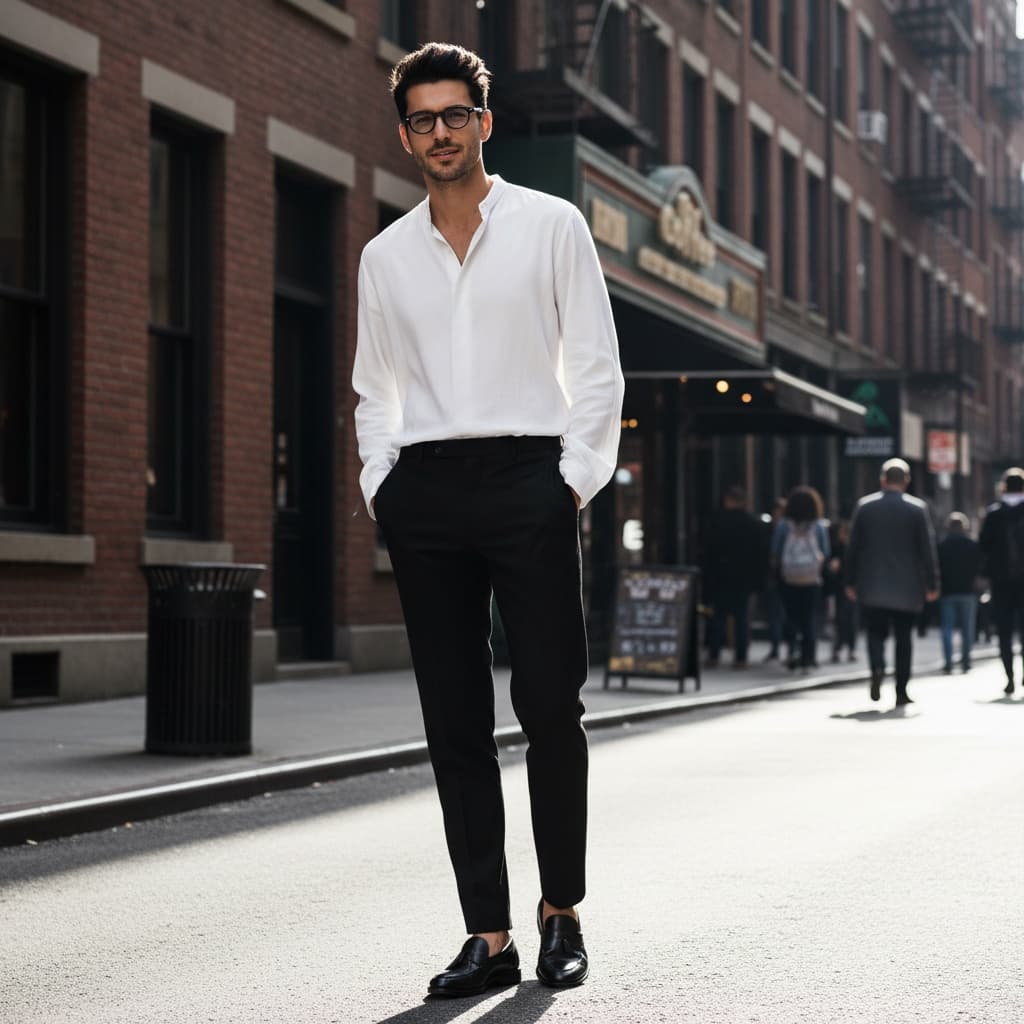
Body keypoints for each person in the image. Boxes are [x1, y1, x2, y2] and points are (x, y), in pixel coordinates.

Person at [352, 43, 624, 997]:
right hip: (424, 491)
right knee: (455, 720)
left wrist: (569, 483)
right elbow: (374, 388)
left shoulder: (552, 226)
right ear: (405, 136)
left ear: (484, 123)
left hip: (529, 480)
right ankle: (489, 934)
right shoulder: (384, 256)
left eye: (455, 115)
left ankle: (562, 912)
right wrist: (383, 485)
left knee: (550, 706)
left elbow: (596, 368)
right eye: (422, 119)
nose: (440, 132)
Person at [845, 459, 939, 707]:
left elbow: (853, 548)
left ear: (882, 480)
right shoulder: (917, 509)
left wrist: (849, 580)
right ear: (906, 481)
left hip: (872, 585)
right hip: (907, 588)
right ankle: (901, 690)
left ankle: (877, 667)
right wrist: (932, 583)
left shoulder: (865, 507)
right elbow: (927, 550)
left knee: (875, 633)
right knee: (903, 639)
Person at [703, 486, 765, 668]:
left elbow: (708, 552)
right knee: (741, 618)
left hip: (720, 577)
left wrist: (708, 577)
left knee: (718, 617)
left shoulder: (717, 522)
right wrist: (757, 580)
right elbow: (759, 554)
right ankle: (741, 657)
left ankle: (714, 655)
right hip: (743, 579)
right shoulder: (752, 523)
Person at [771, 486, 830, 673]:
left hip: (788, 578)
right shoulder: (818, 526)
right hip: (811, 578)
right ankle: (808, 658)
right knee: (808, 617)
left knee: (791, 616)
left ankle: (792, 650)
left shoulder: (784, 525)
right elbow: (825, 551)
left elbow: (775, 551)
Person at [978, 467, 1024, 695]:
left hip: (1001, 581)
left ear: (1004, 487)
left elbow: (983, 546)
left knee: (1004, 632)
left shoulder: (993, 514)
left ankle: (1010, 677)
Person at [937, 512, 981, 675]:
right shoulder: (972, 545)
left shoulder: (942, 546)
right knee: (967, 629)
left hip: (948, 591)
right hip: (967, 591)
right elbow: (978, 566)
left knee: (947, 629)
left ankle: (948, 662)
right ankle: (966, 661)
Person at [827, 519, 858, 663]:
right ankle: (838, 648)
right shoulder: (836, 547)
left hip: (849, 588)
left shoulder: (852, 548)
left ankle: (849, 648)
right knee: (839, 620)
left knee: (850, 620)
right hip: (839, 588)